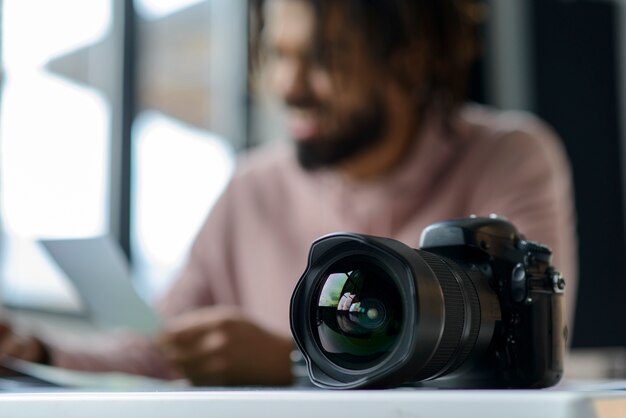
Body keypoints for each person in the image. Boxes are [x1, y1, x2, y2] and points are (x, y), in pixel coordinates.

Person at [0, 0, 577, 386]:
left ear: (408, 54)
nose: (288, 86)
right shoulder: (250, 187)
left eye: (325, 58)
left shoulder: (509, 155)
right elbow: (161, 347)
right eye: (279, 54)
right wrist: (36, 350)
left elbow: (514, 346)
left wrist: (289, 360)